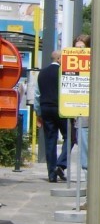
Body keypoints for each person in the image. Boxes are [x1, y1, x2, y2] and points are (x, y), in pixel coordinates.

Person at [57, 34, 91, 173]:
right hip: (78, 115)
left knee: (88, 150)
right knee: (83, 149)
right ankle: (87, 174)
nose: (79, 52)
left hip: (90, 115)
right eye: (76, 48)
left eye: (82, 48)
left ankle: (89, 175)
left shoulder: (95, 65)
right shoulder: (69, 66)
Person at [36, 50, 67, 182]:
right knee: (70, 137)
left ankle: (51, 174)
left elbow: (37, 94)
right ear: (59, 59)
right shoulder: (62, 72)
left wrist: (38, 113)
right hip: (60, 109)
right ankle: (61, 164)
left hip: (45, 109)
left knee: (50, 140)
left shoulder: (42, 73)